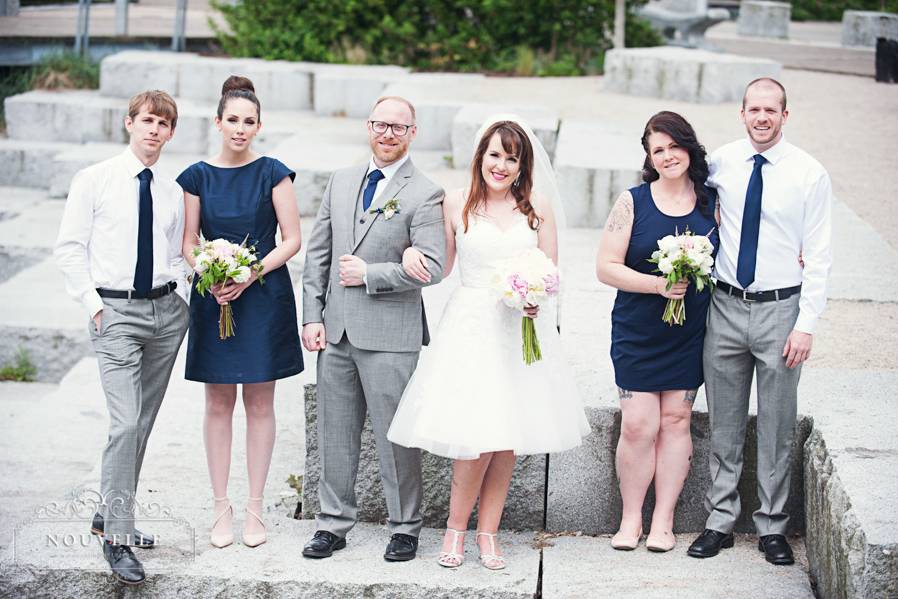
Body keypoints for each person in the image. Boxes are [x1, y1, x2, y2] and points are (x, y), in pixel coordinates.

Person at [388, 117, 590, 570]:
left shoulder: (536, 207)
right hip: (470, 327)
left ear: (523, 166)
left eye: (511, 158)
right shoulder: (456, 203)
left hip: (519, 330)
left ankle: (489, 533)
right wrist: (409, 253)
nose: (501, 165)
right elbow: (441, 266)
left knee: (506, 439)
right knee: (475, 437)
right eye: (494, 155)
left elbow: (550, 270)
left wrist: (537, 298)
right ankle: (456, 530)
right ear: (480, 157)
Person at [687, 78, 832, 565]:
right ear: (742, 112)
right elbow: (683, 199)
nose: (762, 117)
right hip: (725, 307)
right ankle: (720, 521)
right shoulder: (722, 163)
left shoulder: (809, 174)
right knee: (724, 423)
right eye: (754, 109)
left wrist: (805, 322)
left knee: (776, 424)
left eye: (771, 110)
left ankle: (772, 527)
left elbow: (820, 254)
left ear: (785, 116)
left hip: (780, 311)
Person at [300, 96, 446, 562]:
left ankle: (405, 526)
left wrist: (371, 274)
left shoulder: (426, 192)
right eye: (381, 125)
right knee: (335, 433)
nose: (388, 134)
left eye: (398, 128)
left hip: (391, 335)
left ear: (412, 133)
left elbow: (435, 267)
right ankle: (332, 522)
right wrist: (312, 315)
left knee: (394, 436)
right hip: (336, 332)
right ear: (368, 126)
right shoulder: (341, 182)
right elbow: (318, 257)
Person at [55, 90, 189, 584]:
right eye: (148, 120)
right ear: (129, 123)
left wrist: (190, 295)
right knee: (125, 424)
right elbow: (70, 249)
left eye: (164, 124)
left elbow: (177, 253)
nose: (155, 130)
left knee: (143, 423)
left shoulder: (173, 188)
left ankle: (111, 515)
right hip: (113, 311)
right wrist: (95, 307)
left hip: (166, 313)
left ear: (171, 133)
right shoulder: (94, 179)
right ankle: (117, 538)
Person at [177, 76, 303, 549]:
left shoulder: (274, 172)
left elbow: (291, 239)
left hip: (263, 296)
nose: (240, 128)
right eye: (232, 120)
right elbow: (189, 242)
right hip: (214, 297)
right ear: (217, 122)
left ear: (258, 126)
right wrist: (209, 275)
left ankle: (254, 507)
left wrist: (249, 274)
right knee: (217, 403)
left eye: (249, 122)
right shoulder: (195, 177)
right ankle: (219, 507)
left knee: (260, 403)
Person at [596, 111, 719, 553]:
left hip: (690, 333)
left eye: (674, 145)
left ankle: (663, 520)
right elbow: (605, 267)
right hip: (638, 330)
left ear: (689, 146)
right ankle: (631, 519)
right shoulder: (632, 202)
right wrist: (657, 284)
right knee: (638, 424)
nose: (668, 156)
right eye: (658, 150)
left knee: (676, 419)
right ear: (649, 157)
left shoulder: (713, 202)